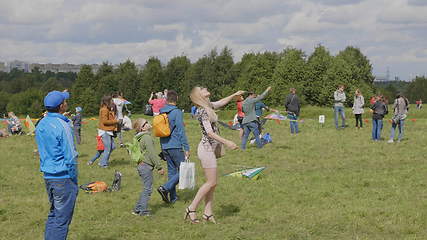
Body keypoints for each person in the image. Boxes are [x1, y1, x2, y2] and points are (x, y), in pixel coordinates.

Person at [185, 87, 242, 224]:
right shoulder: (203, 111)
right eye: (202, 88)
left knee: (213, 184)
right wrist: (227, 142)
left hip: (209, 149)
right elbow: (209, 133)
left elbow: (221, 102)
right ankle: (191, 209)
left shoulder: (208, 106)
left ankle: (207, 213)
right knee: (211, 182)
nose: (205, 88)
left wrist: (234, 94)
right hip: (206, 150)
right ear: (199, 95)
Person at [35, 90, 78, 240]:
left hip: (49, 176)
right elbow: (70, 155)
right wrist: (73, 179)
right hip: (63, 176)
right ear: (61, 106)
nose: (67, 103)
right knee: (62, 220)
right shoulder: (63, 125)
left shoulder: (41, 123)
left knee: (54, 214)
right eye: (65, 102)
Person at [157, 90, 190, 204]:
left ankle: (173, 198)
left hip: (164, 145)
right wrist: (186, 148)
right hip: (175, 145)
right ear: (177, 98)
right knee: (184, 170)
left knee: (172, 172)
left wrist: (162, 147)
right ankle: (165, 188)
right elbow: (181, 131)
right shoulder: (177, 112)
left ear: (166, 99)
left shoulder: (161, 112)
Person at [132, 118, 165, 216]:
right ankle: (143, 211)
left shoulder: (139, 137)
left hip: (141, 165)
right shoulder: (146, 137)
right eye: (145, 123)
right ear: (142, 128)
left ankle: (137, 209)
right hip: (146, 166)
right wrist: (159, 167)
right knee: (147, 189)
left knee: (146, 188)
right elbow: (152, 153)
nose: (148, 123)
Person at [88, 96, 118, 168]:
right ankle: (102, 164)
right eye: (111, 101)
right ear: (107, 102)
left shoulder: (107, 109)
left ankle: (93, 160)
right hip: (105, 131)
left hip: (108, 131)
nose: (112, 102)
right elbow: (105, 121)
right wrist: (116, 121)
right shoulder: (104, 110)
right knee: (107, 149)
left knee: (112, 147)